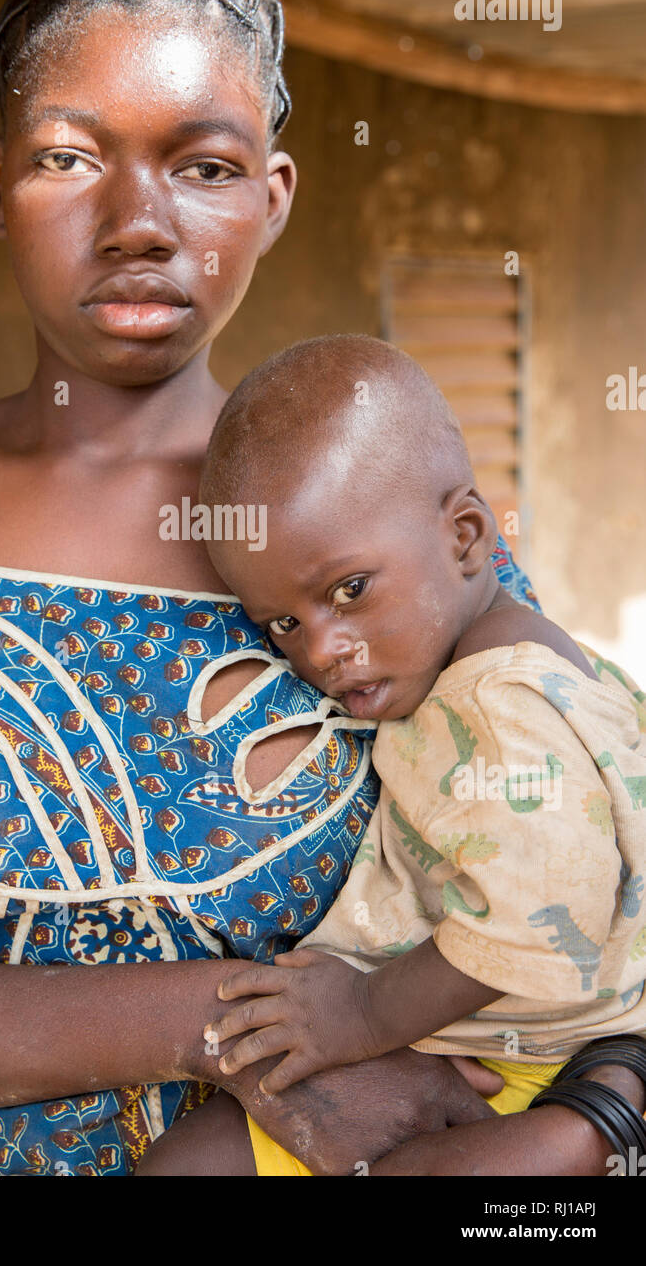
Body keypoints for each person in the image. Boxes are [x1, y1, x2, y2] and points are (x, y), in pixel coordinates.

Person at [0, 0, 637, 1178]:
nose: (139, 223)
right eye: (69, 157)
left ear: (274, 196)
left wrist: (594, 1120)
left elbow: (588, 861)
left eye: (205, 166)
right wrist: (224, 1034)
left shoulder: (363, 505)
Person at [136, 333, 646, 1175]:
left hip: (515, 1066)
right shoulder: (542, 661)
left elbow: (539, 919)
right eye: (284, 624)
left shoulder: (495, 705)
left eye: (349, 591)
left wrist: (363, 1013)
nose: (323, 649)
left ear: (468, 537)